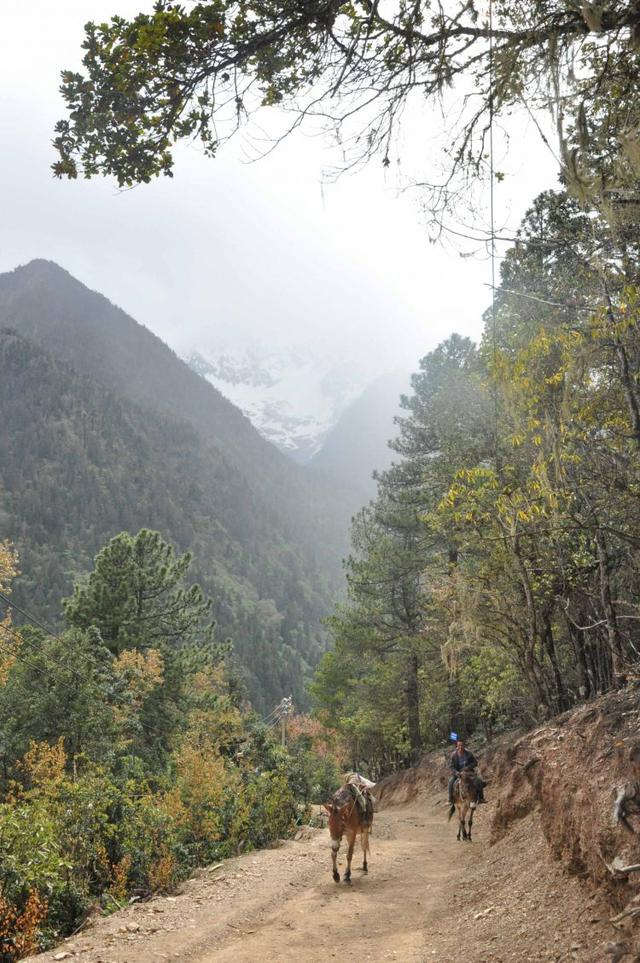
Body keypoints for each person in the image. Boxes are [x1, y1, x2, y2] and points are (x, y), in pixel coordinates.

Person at [448, 739, 486, 804]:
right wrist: (456, 772)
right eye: (459, 745)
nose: (460, 747)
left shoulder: (469, 753)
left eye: (462, 745)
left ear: (464, 746)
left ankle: (481, 798)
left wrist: (468, 767)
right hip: (458, 773)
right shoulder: (454, 755)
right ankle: (451, 800)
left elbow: (475, 762)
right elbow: (451, 767)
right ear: (457, 746)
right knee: (450, 782)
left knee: (478, 781)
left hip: (468, 772)